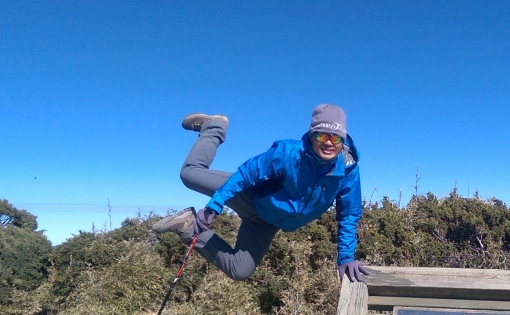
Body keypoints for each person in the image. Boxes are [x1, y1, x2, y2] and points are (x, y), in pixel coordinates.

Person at [153, 104, 370, 283]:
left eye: (336, 138)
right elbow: (246, 174)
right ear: (312, 135)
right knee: (190, 174)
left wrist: (346, 257)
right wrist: (215, 204)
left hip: (266, 223)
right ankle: (214, 127)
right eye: (323, 136)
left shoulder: (348, 171)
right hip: (249, 195)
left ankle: (187, 226)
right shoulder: (287, 152)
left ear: (343, 140)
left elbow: (349, 215)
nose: (329, 143)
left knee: (240, 270)